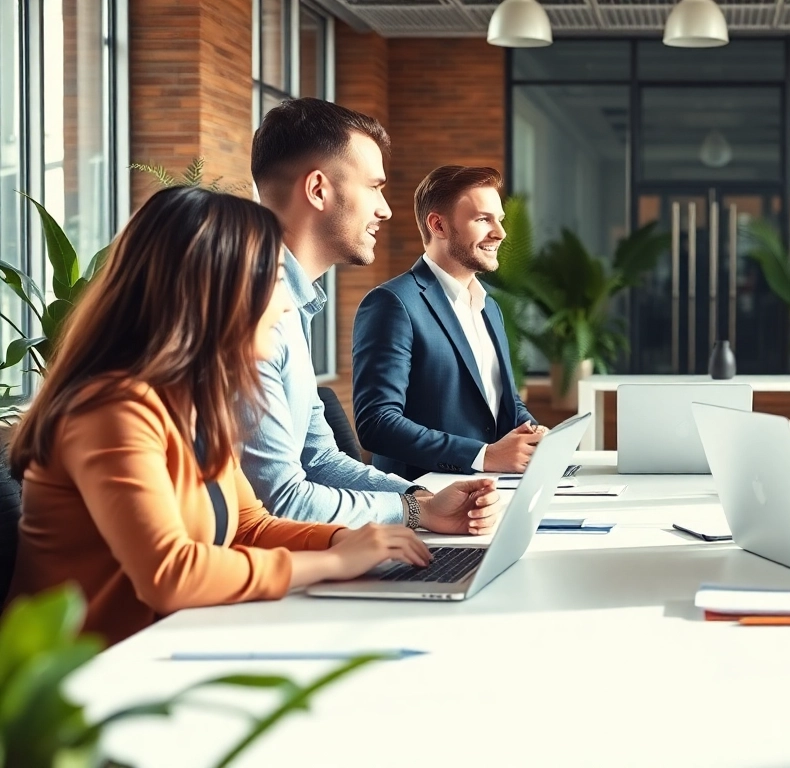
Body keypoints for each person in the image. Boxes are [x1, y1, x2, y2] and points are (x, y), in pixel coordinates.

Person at [2, 187, 460, 643]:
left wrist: (341, 540)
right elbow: (170, 573)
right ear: (219, 292)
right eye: (275, 281)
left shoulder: (195, 403)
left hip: (168, 645)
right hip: (76, 684)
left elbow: (249, 525)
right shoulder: (111, 408)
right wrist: (335, 562)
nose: (285, 304)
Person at [245, 98, 498, 533]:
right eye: (374, 187)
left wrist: (419, 498)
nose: (386, 210)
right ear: (318, 189)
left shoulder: (292, 306)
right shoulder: (252, 313)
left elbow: (320, 459)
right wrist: (415, 513)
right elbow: (278, 499)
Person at [352, 165, 540, 480]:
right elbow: (377, 423)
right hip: (424, 498)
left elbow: (500, 397)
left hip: (491, 487)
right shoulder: (393, 303)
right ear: (438, 225)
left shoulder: (489, 306)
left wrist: (531, 433)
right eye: (483, 219)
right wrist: (483, 456)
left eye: (500, 220)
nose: (500, 232)